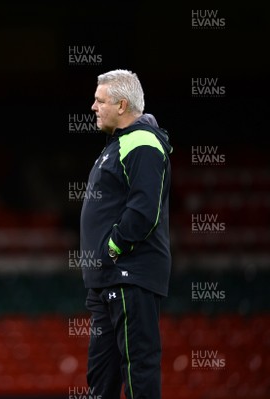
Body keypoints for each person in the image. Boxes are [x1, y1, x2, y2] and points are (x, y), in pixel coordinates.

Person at [79, 69, 172, 399]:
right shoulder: (117, 144)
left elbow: (145, 210)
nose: (93, 107)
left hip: (129, 275)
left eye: (99, 100)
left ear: (121, 105)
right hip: (109, 279)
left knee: (138, 369)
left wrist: (112, 249)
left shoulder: (143, 141)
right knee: (101, 375)